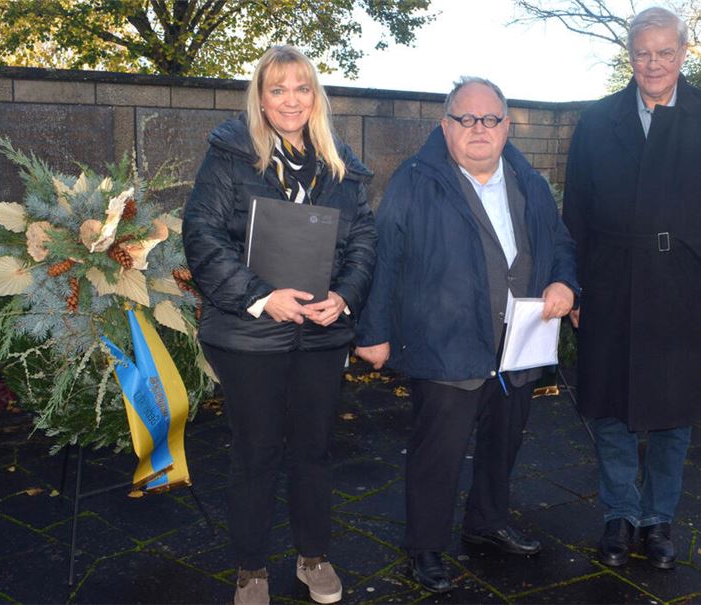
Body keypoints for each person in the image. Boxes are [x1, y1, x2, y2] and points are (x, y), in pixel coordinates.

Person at [354, 77, 578, 593]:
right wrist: (375, 332)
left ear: (507, 125)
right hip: (445, 342)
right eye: (466, 119)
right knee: (440, 453)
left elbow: (560, 240)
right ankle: (425, 549)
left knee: (504, 443)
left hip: (518, 343)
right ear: (445, 125)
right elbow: (385, 257)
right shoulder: (415, 180)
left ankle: (487, 522)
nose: (479, 129)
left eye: (491, 119)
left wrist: (564, 281)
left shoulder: (530, 181)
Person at [562, 6, 701, 570]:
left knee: (674, 410)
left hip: (683, 286)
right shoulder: (597, 121)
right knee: (611, 407)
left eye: (665, 52)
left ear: (683, 53)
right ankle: (619, 515)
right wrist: (572, 285)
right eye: (643, 52)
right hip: (609, 283)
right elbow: (575, 211)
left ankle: (659, 517)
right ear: (630, 55)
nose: (653, 63)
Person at [183, 45, 376, 605]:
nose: (291, 99)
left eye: (302, 87)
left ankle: (313, 556)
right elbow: (203, 237)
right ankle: (250, 569)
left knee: (315, 451)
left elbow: (364, 240)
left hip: (320, 333)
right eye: (277, 88)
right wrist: (261, 299)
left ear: (316, 95)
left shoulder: (342, 166)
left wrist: (343, 296)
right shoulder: (230, 156)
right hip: (250, 336)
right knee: (256, 453)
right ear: (260, 99)